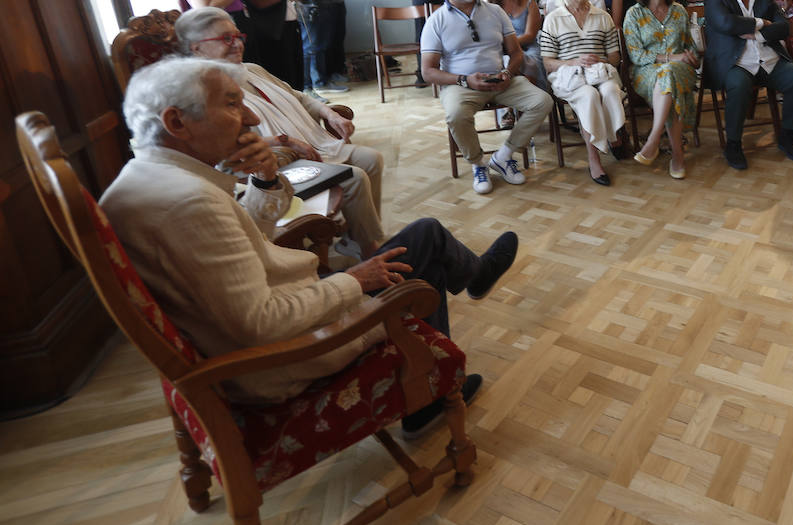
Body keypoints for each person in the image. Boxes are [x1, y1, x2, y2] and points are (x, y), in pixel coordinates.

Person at [100, 56, 519, 435]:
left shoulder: (147, 180)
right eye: (230, 104)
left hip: (274, 321)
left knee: (422, 237)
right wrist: (355, 279)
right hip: (292, 352)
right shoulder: (188, 203)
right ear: (176, 123)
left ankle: (472, 279)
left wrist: (264, 180)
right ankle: (427, 396)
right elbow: (264, 323)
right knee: (419, 265)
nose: (248, 117)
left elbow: (245, 234)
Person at [177, 7, 389, 257]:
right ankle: (369, 249)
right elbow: (226, 146)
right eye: (226, 38)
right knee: (354, 177)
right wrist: (285, 141)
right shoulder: (201, 91)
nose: (236, 44)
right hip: (273, 161)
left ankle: (355, 237)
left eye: (237, 36)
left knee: (371, 159)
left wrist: (330, 113)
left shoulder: (251, 69)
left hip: (314, 144)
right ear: (196, 48)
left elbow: (297, 96)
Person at [420, 0, 554, 195]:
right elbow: (428, 71)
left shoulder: (495, 11)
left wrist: (508, 73)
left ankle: (503, 156)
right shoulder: (436, 21)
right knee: (456, 114)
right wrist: (465, 80)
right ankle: (478, 163)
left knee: (542, 101)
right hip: (461, 84)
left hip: (500, 79)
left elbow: (516, 53)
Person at [704, 0, 793, 170]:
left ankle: (787, 136)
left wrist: (757, 35)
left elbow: (784, 27)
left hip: (768, 60)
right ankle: (733, 144)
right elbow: (726, 23)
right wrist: (761, 23)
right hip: (736, 64)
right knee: (739, 85)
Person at [540, 0, 625, 185]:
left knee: (609, 90)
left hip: (599, 72)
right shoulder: (554, 19)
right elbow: (548, 62)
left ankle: (614, 137)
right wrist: (573, 62)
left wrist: (600, 60)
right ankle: (594, 157)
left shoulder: (602, 16)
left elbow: (615, 57)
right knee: (588, 95)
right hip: (568, 75)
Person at [625, 0, 699, 179]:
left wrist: (691, 57)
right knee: (668, 80)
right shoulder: (634, 14)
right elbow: (636, 56)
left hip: (681, 70)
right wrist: (671, 57)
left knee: (669, 75)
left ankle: (653, 141)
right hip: (645, 72)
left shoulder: (679, 11)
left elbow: (689, 46)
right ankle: (677, 155)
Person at [487, 0, 546, 95]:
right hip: (502, 49)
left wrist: (510, 45)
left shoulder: (530, 3)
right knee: (499, 62)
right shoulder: (492, 7)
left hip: (528, 46)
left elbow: (530, 35)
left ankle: (535, 98)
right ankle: (510, 106)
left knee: (531, 59)